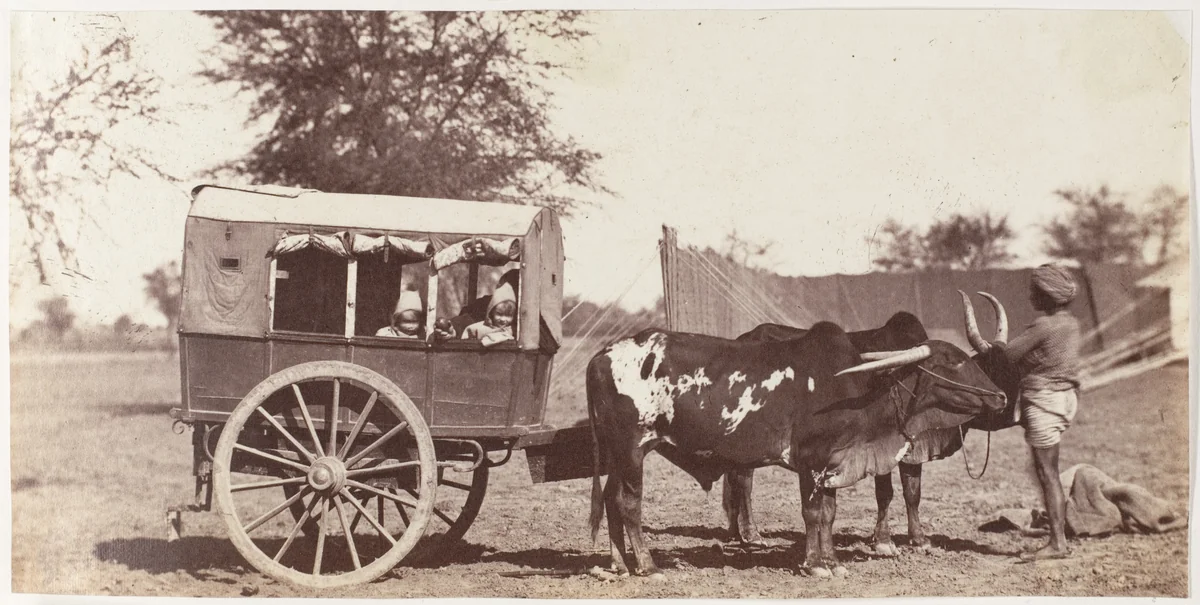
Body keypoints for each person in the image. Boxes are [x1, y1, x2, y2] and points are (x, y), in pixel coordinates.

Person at [997, 263, 1082, 561]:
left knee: (1047, 474)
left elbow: (1006, 355)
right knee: (1047, 472)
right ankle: (1057, 534)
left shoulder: (1043, 325)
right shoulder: (1071, 323)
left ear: (1046, 295)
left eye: (1035, 290)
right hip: (1065, 399)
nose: (1031, 294)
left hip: (1044, 400)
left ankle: (1058, 543)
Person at [462, 280, 517, 345]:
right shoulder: (478, 328)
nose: (503, 319)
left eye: (508, 315)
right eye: (499, 314)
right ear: (491, 312)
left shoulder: (514, 331)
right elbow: (464, 344)